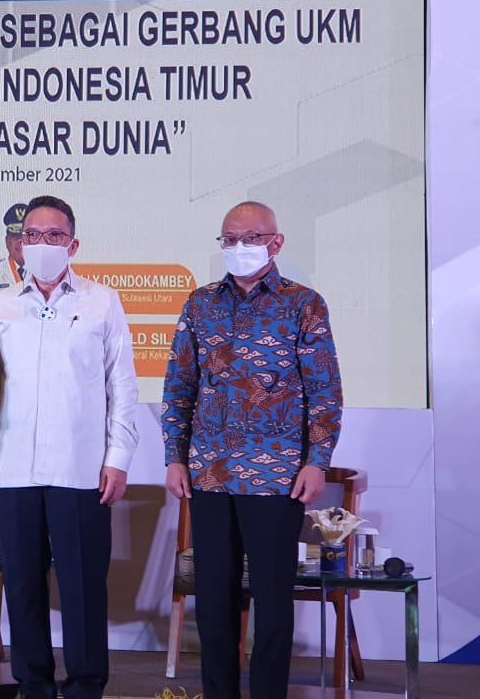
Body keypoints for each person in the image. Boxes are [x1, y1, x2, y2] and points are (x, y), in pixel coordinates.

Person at [161, 201, 343, 699]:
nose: (239, 247)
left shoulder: (303, 303)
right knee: (213, 601)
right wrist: (174, 456)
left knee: (273, 601)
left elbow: (324, 392)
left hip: (277, 476)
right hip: (210, 474)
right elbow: (179, 386)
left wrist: (317, 462)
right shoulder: (200, 304)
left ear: (275, 242)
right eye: (230, 239)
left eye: (251, 238)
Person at [0, 194, 139, 699]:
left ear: (73, 244)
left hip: (81, 470)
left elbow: (122, 386)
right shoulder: (1, 305)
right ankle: (34, 684)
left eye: (54, 235)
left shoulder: (102, 301)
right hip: (15, 469)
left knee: (83, 585)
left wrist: (118, 458)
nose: (42, 244)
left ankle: (85, 684)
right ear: (19, 244)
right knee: (22, 583)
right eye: (33, 235)